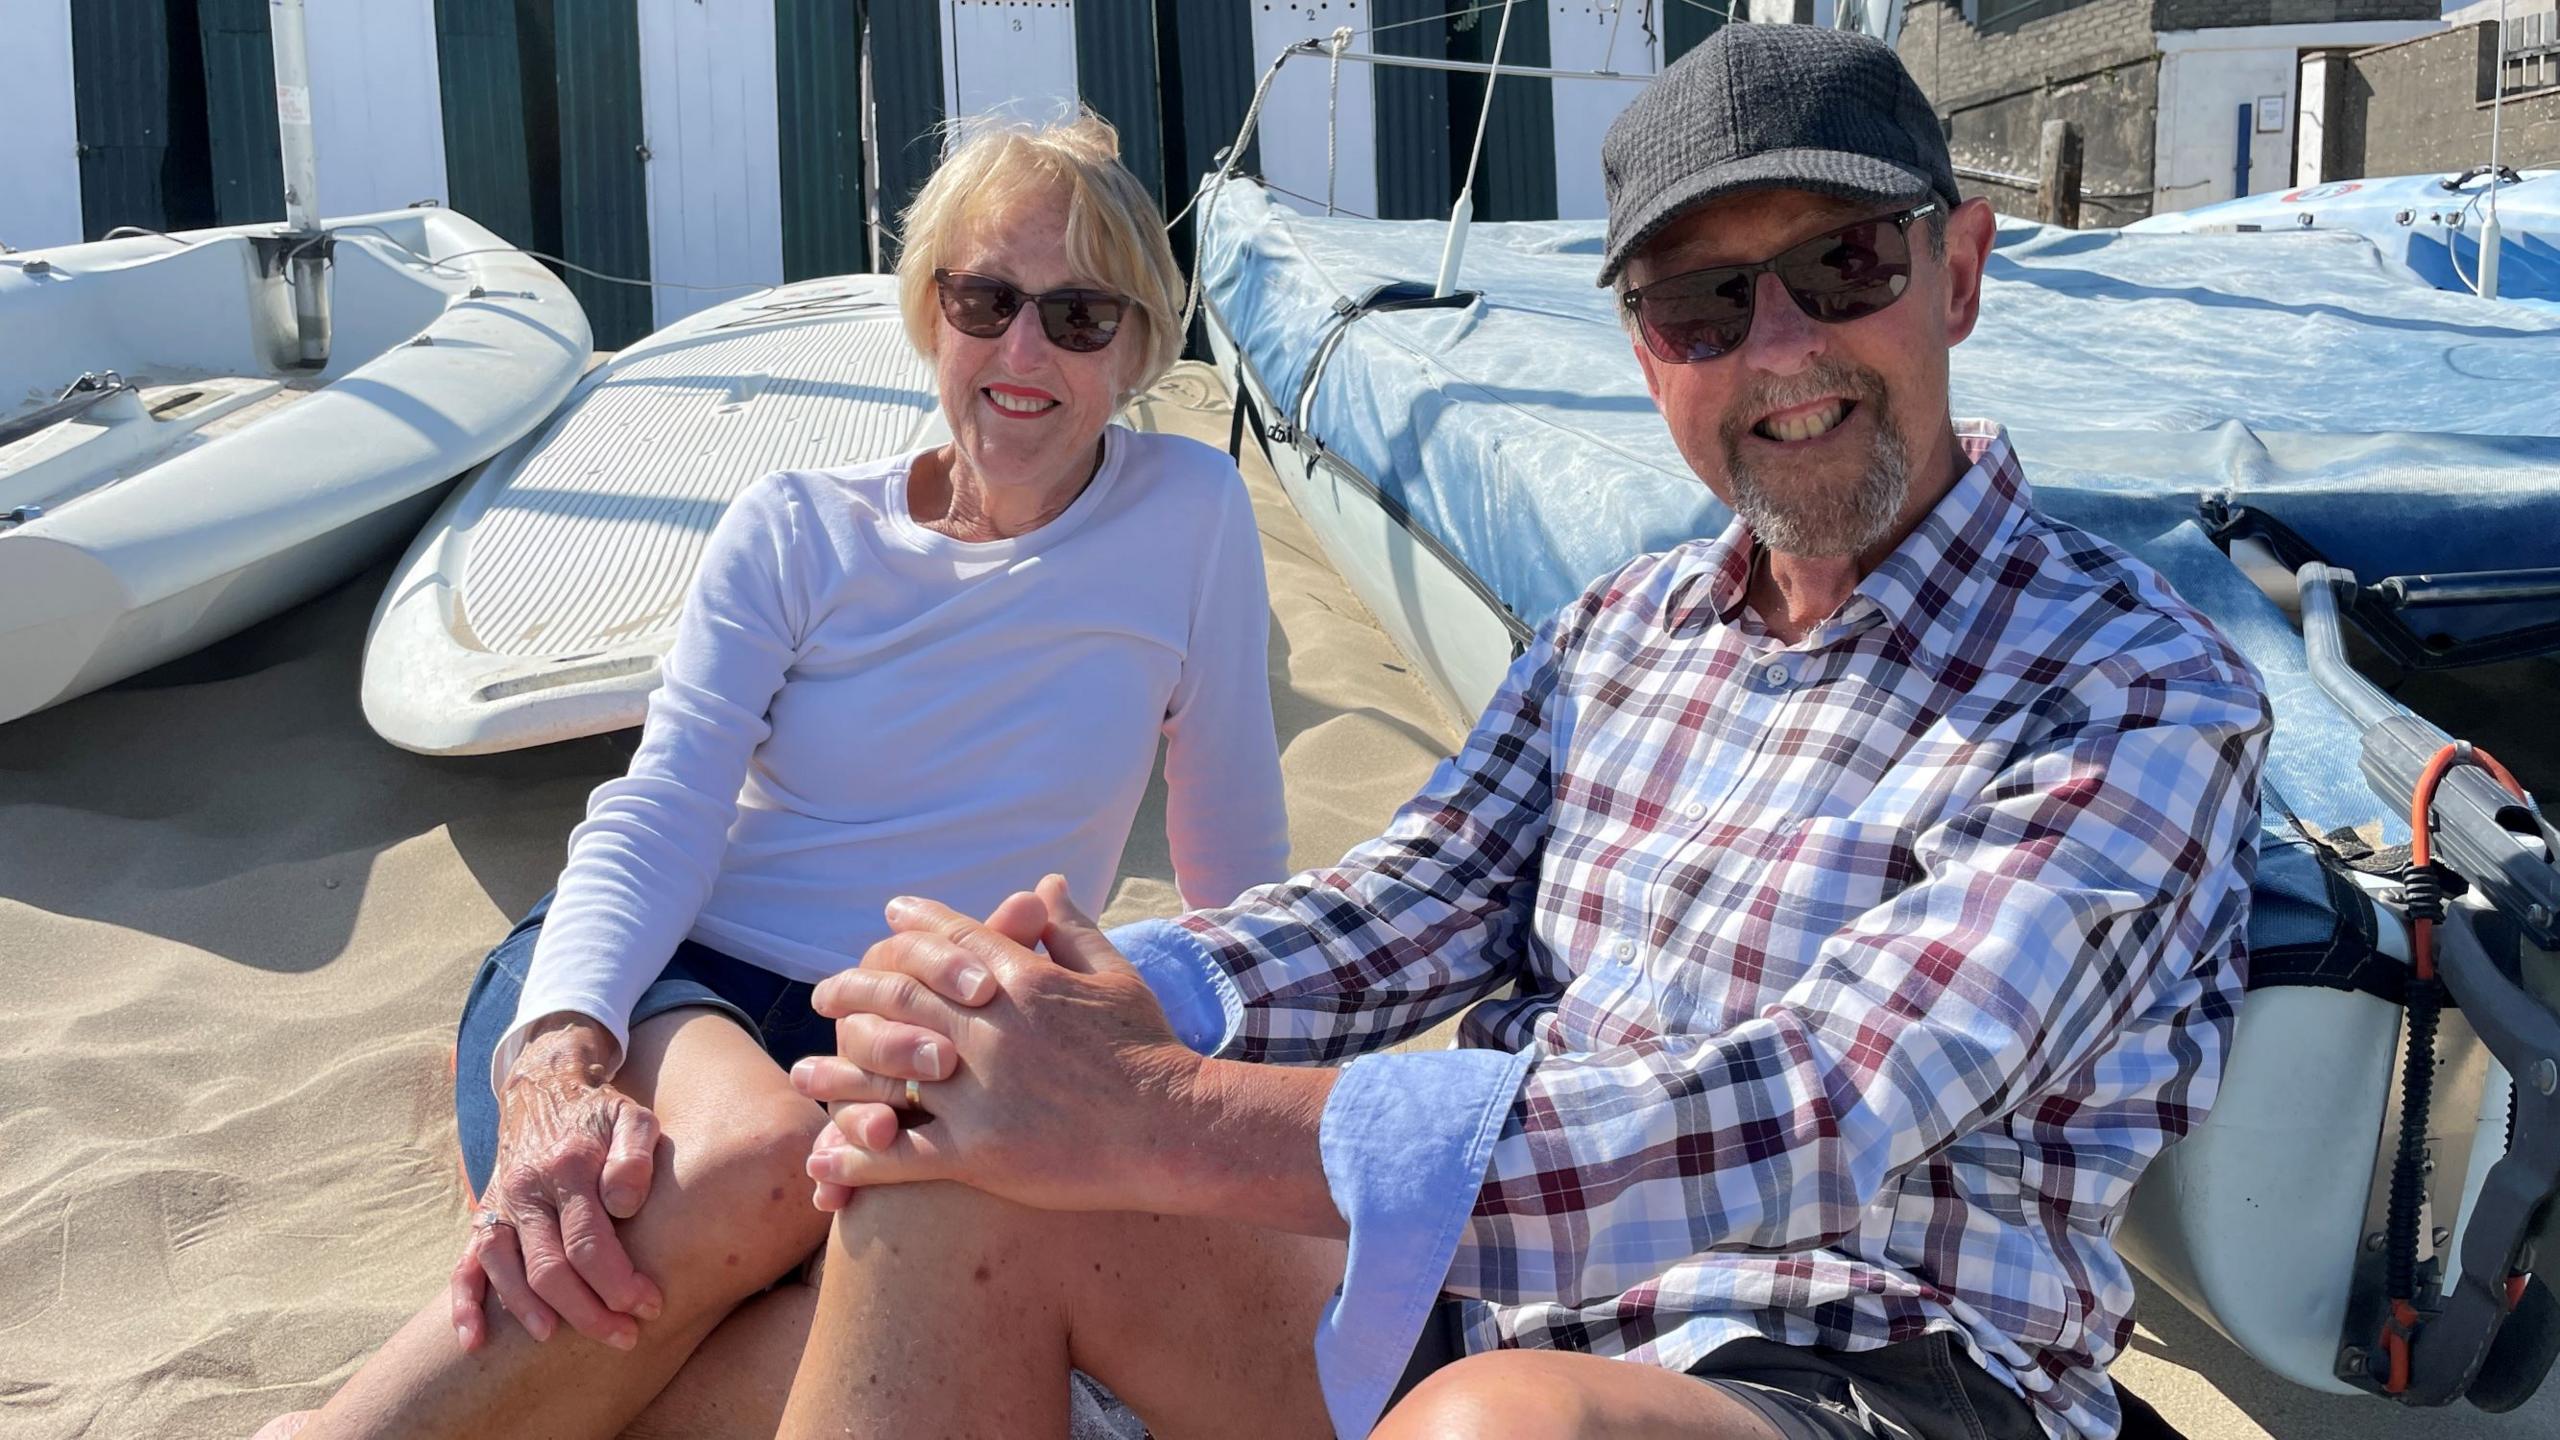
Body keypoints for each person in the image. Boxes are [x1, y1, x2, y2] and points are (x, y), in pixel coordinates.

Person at [779, 27, 2269, 1440]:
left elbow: (1816, 1112)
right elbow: (1400, 908)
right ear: (1644, 350)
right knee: (946, 1183)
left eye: (1842, 263)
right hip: (1495, 1305)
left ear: (1956, 272)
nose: (1779, 349)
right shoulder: (1616, 637)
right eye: (1703, 304)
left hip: (1872, 1357)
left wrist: (1156, 1109)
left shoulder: (2133, 693)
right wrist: (1055, 999)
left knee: (1499, 1426)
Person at [256, 113, 1288, 1440]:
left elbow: (1238, 877)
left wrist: (1228, 1136)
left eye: (1079, 315)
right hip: (676, 987)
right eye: (987, 300)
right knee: (757, 1158)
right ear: (930, 313)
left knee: (847, 1348)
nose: (1023, 352)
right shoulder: (800, 529)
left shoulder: (1191, 517)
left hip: (915, 1061)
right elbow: (662, 808)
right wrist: (558, 1052)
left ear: (1141, 344)